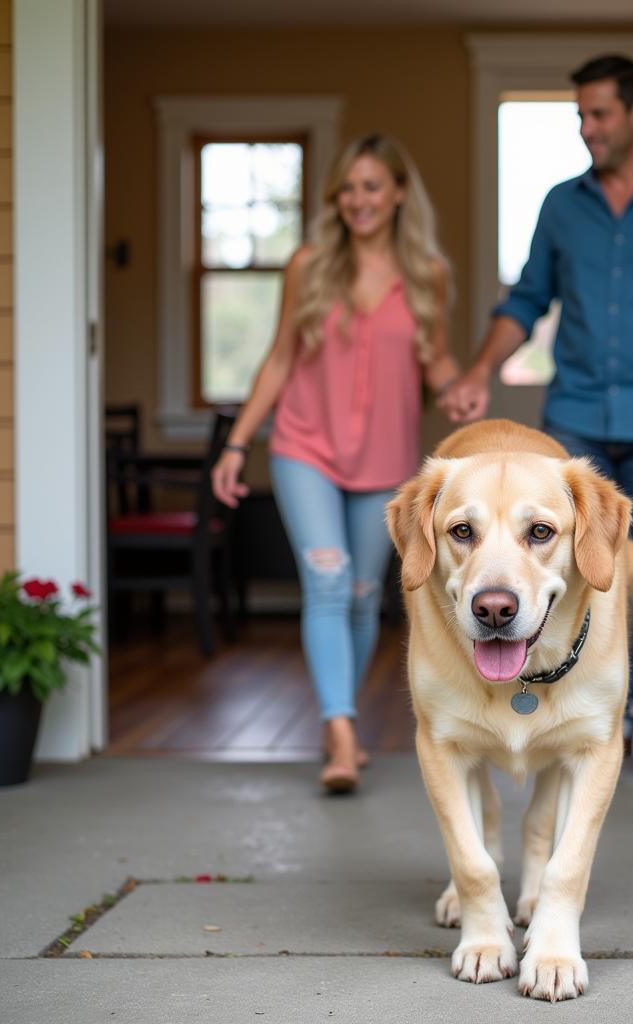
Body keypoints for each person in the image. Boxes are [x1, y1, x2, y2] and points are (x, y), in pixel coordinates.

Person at [440, 55, 633, 786]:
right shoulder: (560, 203)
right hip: (573, 424)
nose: (588, 129)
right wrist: (480, 369)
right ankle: (564, 722)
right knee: (569, 572)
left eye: (600, 114)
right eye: (580, 116)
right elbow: (524, 301)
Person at [213, 134, 459, 795]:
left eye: (372, 186)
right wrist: (238, 443)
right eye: (348, 188)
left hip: (385, 460)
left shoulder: (426, 273)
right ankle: (343, 730)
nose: (358, 200)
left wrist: (462, 385)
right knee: (327, 581)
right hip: (305, 448)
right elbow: (281, 358)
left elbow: (435, 360)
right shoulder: (310, 264)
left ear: (399, 193)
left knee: (360, 596)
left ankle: (336, 717)